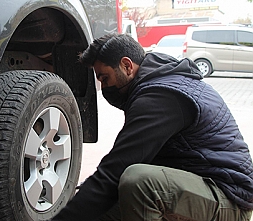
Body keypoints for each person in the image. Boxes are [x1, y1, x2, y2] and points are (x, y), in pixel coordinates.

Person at [51, 33, 253, 221]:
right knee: (101, 209)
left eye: (105, 78)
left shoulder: (160, 97)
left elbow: (115, 170)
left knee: (138, 183)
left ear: (127, 66)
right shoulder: (159, 79)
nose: (104, 87)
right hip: (197, 185)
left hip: (229, 199)